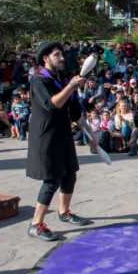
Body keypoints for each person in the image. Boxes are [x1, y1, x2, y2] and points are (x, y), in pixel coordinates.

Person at [26, 42, 93, 241]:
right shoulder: (39, 81)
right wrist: (71, 87)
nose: (62, 58)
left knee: (69, 175)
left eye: (62, 54)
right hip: (46, 136)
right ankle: (35, 224)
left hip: (63, 135)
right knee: (52, 179)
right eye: (57, 55)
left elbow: (74, 111)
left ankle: (64, 212)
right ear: (45, 59)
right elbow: (52, 105)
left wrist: (90, 133)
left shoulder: (62, 80)